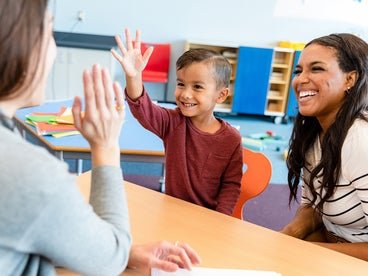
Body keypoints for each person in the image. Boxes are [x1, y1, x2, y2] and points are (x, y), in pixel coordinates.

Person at [0, 1, 200, 275]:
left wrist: (122, 252)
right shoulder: (32, 174)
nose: (54, 50)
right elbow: (107, 259)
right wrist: (105, 146)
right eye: (49, 34)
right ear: (17, 44)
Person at [111, 29, 243, 216]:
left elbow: (231, 186)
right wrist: (134, 76)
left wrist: (219, 220)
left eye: (197, 87)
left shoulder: (231, 138)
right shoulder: (173, 123)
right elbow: (143, 109)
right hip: (172, 212)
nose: (185, 93)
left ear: (221, 95)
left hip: (209, 218)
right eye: (181, 84)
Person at [280, 33, 368, 261]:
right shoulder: (313, 132)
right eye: (299, 71)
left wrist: (309, 252)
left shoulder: (360, 139)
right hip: (331, 241)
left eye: (316, 69)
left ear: (350, 80)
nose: (300, 80)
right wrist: (286, 236)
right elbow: (314, 206)